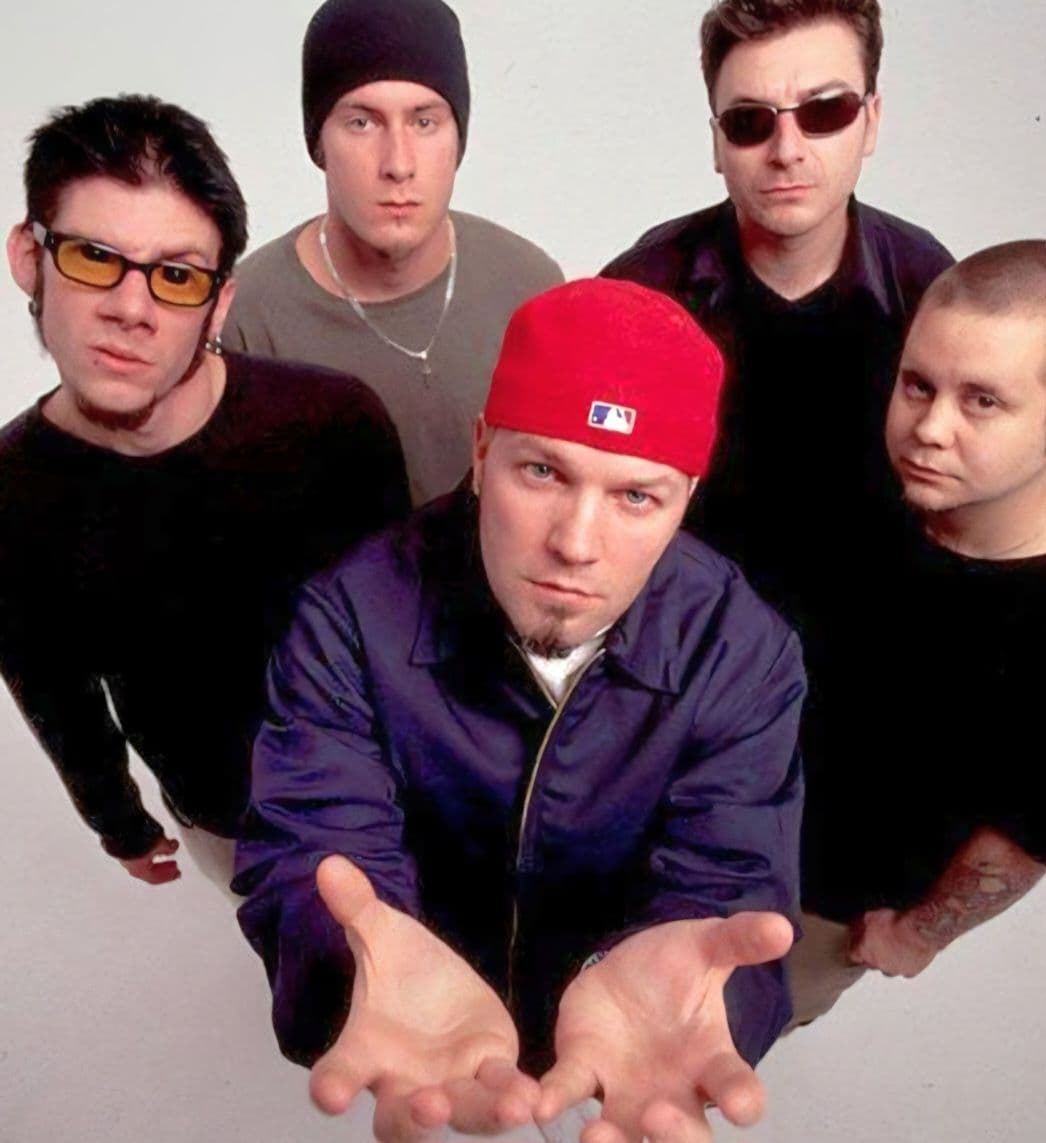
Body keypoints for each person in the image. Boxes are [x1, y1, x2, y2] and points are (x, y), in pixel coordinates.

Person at [235, 279, 806, 1141]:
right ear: (481, 450)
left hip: (627, 1037)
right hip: (422, 1030)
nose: (575, 543)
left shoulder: (742, 650)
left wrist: (704, 991)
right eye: (542, 471)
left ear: (688, 496)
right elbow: (317, 838)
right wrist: (353, 968)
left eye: (636, 496)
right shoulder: (350, 614)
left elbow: (730, 881)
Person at [0, 94, 409, 888]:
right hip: (226, 823)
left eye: (176, 276)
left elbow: (411, 639)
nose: (131, 308)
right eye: (93, 257)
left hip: (394, 803)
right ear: (28, 257)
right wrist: (118, 820)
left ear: (219, 302)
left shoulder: (333, 423)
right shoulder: (12, 491)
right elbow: (52, 685)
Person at [602, 0, 952, 655]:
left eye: (825, 112)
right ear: (717, 142)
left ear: (871, 121)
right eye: (749, 122)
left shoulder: (928, 286)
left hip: (894, 659)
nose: (786, 151)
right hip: (688, 671)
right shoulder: (642, 292)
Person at [790, 240, 1046, 1022]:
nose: (930, 428)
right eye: (918, 385)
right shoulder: (883, 489)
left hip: (815, 913)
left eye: (983, 401)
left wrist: (921, 932)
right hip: (688, 841)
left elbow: (1038, 827)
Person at [223, 0, 564, 505]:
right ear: (319, 143)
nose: (398, 165)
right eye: (362, 123)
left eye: (424, 122)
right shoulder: (247, 316)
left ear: (458, 139)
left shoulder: (530, 287)